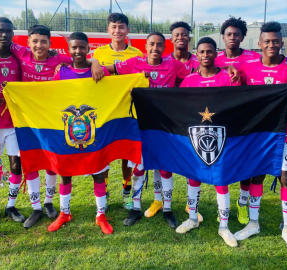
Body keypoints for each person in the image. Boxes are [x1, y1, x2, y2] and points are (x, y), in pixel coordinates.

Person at [0, 24, 101, 228]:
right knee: (30, 160)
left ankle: (48, 203)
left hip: (50, 118)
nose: (39, 45)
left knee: (51, 160)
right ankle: (35, 206)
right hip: (26, 118)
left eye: (44, 42)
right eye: (35, 41)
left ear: (50, 44)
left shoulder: (57, 59)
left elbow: (78, 59)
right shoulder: (20, 52)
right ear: (27, 43)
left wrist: (96, 62)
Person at [99, 31, 191, 228]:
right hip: (139, 125)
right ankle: (136, 208)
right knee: (138, 167)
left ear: (164, 48)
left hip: (165, 125)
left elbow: (195, 75)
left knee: (165, 168)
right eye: (151, 44)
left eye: (159, 45)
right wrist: (95, 64)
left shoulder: (172, 64)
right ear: (146, 47)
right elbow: (108, 70)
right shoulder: (135, 63)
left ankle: (167, 209)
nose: (155, 48)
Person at [232, 22, 287, 255]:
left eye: (275, 41)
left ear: (282, 43)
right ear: (259, 44)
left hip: (286, 132)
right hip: (258, 133)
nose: (271, 44)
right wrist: (232, 74)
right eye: (267, 41)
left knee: (285, 177)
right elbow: (236, 85)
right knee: (256, 175)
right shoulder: (249, 65)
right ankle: (253, 223)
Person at [49, 32, 113, 234]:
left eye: (82, 47)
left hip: (95, 131)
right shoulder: (61, 72)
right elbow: (49, 97)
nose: (78, 51)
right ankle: (64, 212)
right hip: (68, 131)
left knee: (99, 172)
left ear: (88, 49)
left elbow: (114, 92)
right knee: (65, 173)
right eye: (74, 47)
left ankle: (101, 214)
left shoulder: (100, 72)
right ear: (68, 50)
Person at [176, 37, 237, 248]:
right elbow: (178, 106)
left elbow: (238, 103)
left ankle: (224, 226)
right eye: (201, 52)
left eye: (209, 51)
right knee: (194, 178)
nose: (204, 55)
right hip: (196, 136)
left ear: (215, 53)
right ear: (197, 53)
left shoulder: (227, 78)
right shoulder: (189, 79)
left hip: (221, 137)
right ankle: (192, 218)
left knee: (221, 181)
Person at [92, 13, 144, 210]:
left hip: (128, 111)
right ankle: (103, 190)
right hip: (105, 111)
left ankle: (126, 191)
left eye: (121, 27)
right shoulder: (98, 54)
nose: (117, 31)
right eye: (114, 27)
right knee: (103, 152)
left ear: (127, 30)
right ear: (108, 30)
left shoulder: (137, 54)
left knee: (126, 153)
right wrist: (95, 63)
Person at [217, 17, 262, 225]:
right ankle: (222, 207)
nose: (233, 37)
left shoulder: (254, 58)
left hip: (248, 120)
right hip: (221, 120)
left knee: (248, 165)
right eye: (229, 34)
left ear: (243, 36)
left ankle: (242, 203)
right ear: (223, 37)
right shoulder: (214, 58)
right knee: (223, 162)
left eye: (237, 34)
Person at [0, 17, 25, 226]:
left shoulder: (18, 57)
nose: (4, 35)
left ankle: (11, 205)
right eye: (0, 31)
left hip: (13, 123)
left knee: (16, 165)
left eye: (8, 31)